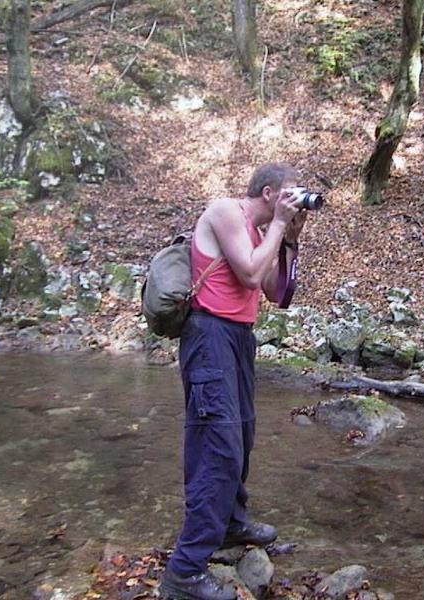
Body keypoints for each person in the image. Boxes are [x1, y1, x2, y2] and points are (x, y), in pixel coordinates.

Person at [159, 163, 307, 600]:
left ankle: (228, 524)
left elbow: (278, 294)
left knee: (241, 433)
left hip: (239, 338)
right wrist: (280, 223)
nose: (293, 203)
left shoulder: (264, 233)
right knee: (217, 442)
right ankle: (184, 571)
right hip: (209, 336)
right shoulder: (226, 212)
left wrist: (290, 238)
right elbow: (246, 272)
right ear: (268, 192)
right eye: (288, 196)